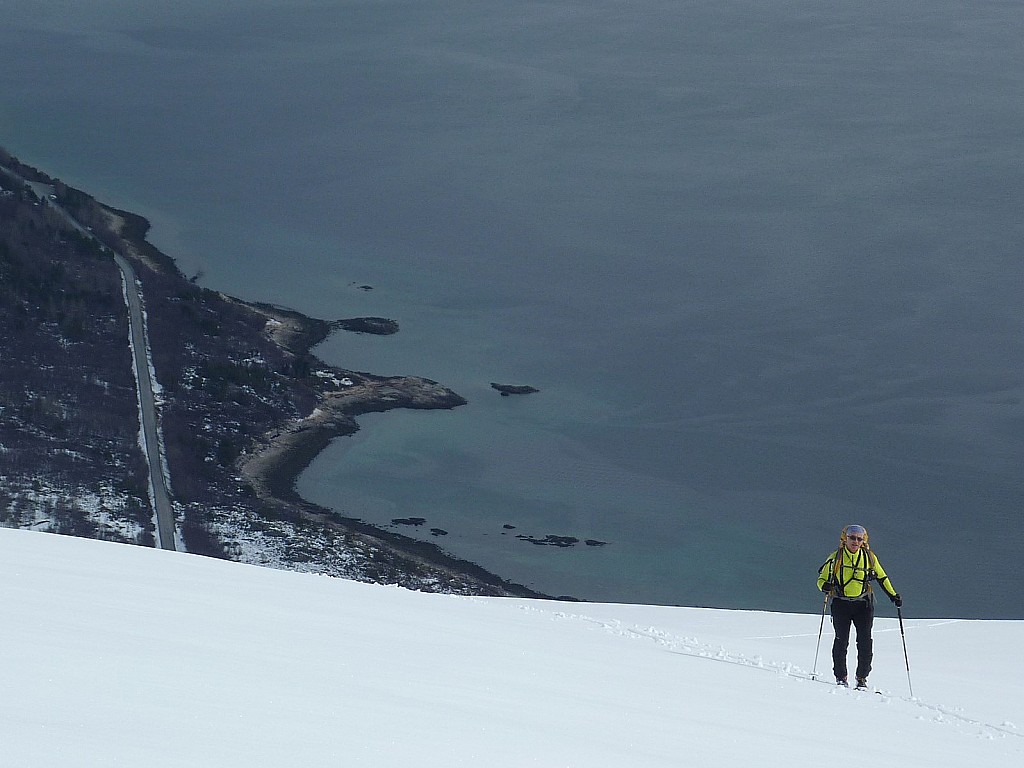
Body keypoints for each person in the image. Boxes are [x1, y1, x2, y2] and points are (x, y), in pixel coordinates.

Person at [816, 524, 902, 689]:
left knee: (865, 641)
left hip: (863, 604)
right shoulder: (835, 558)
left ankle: (862, 677)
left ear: (864, 541)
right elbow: (821, 579)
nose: (855, 541)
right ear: (845, 539)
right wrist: (824, 587)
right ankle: (841, 677)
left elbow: (882, 577)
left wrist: (893, 596)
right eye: (852, 537)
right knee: (841, 641)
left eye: (859, 538)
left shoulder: (869, 558)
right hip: (841, 603)